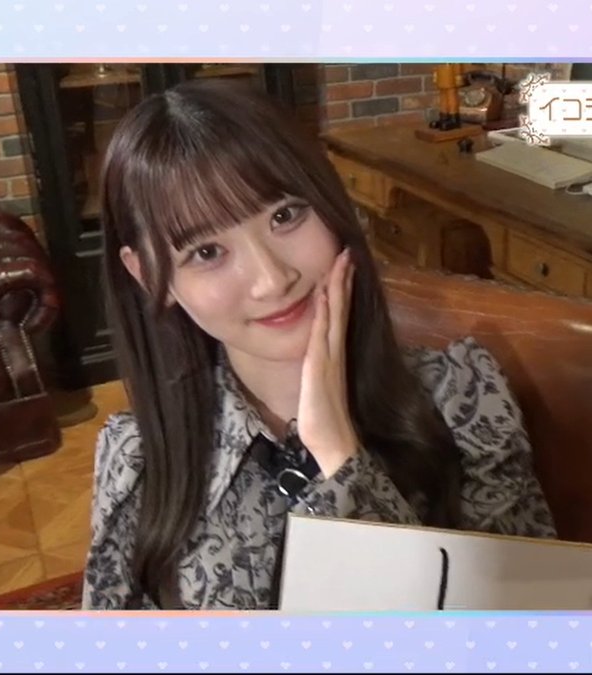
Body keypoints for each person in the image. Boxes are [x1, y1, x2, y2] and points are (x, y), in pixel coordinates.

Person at [83, 78, 557, 610]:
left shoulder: (463, 398)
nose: (272, 279)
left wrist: (340, 457)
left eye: (284, 215)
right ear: (150, 276)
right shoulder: (137, 457)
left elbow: (522, 629)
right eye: (207, 252)